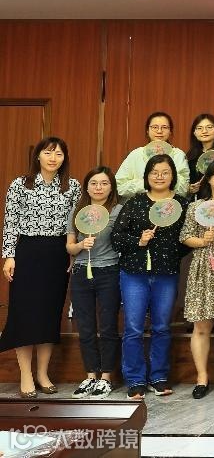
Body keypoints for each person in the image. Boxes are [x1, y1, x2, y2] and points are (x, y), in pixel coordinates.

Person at [1, 137, 81, 399]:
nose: (53, 158)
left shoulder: (72, 187)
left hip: (58, 253)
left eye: (58, 154)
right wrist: (9, 255)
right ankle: (25, 374)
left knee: (49, 314)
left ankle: (43, 374)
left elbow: (75, 224)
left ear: (64, 158)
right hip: (27, 251)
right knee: (23, 313)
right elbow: (11, 222)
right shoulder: (20, 184)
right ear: (38, 156)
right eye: (48, 153)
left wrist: (73, 252)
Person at [111, 154, 189, 399]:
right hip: (134, 273)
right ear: (147, 176)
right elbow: (116, 237)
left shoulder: (181, 204)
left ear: (173, 176)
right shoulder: (135, 202)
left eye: (165, 172)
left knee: (162, 327)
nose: (159, 176)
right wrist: (139, 240)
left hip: (166, 274)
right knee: (133, 327)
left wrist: (170, 254)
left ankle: (159, 377)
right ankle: (135, 380)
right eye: (154, 172)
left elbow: (186, 239)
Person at [179, 158, 214, 399]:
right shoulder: (196, 207)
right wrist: (202, 241)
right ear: (209, 178)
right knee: (201, 326)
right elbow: (185, 236)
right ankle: (201, 377)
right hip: (203, 267)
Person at [65, 166, 122, 399]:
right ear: (86, 187)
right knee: (85, 327)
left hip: (109, 271)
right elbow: (69, 246)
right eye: (94, 183)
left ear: (111, 187)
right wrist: (80, 245)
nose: (99, 187)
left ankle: (106, 378)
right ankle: (90, 376)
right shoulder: (78, 210)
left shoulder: (118, 210)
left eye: (104, 183)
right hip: (81, 272)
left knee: (108, 325)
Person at [115, 112, 190, 199]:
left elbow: (184, 189)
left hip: (170, 204)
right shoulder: (136, 154)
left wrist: (166, 181)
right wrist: (147, 183)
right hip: (139, 204)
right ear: (147, 130)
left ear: (170, 131)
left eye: (164, 127)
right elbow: (119, 187)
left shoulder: (178, 155)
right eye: (154, 127)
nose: (159, 131)